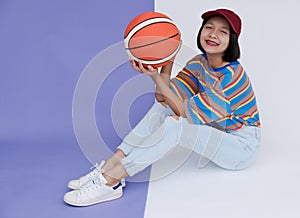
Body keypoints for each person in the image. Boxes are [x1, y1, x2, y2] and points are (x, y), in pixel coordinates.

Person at [63, 8, 261, 207]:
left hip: (241, 146)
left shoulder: (230, 79)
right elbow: (163, 98)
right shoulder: (199, 63)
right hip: (217, 129)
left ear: (232, 41)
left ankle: (111, 180)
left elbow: (183, 113)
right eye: (208, 27)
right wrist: (169, 58)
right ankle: (110, 164)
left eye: (222, 31)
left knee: (177, 126)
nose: (212, 34)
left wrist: (156, 77)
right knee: (163, 110)